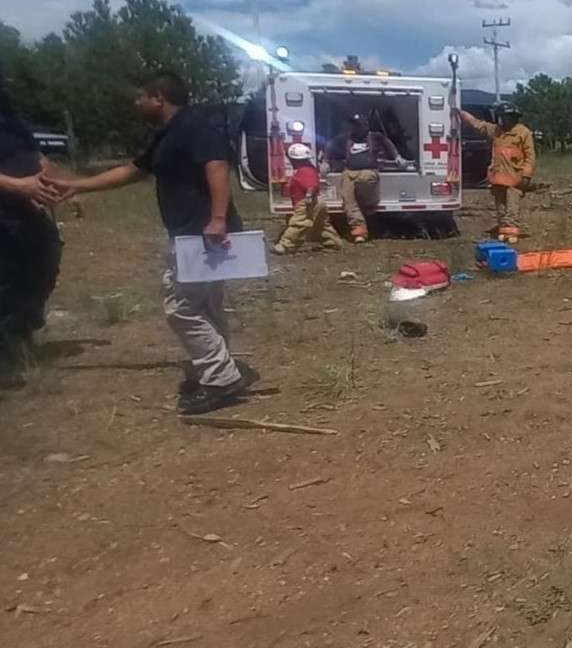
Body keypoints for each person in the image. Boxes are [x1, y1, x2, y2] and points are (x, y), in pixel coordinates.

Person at [58, 70, 259, 415]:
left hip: (203, 233)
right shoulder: (167, 134)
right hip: (194, 233)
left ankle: (221, 377)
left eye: (140, 97)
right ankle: (214, 368)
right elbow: (132, 170)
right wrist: (79, 185)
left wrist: (218, 218)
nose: (135, 103)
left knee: (181, 308)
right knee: (206, 306)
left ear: (158, 98)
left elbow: (217, 167)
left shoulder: (194, 126)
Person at [0, 69, 67, 385]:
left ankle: (22, 327)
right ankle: (7, 359)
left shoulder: (8, 115)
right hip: (5, 213)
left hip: (28, 211)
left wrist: (57, 182)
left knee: (47, 256)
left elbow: (35, 154)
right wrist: (18, 186)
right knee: (6, 281)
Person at [460, 105, 535, 244]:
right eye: (502, 117)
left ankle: (512, 231)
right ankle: (503, 229)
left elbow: (530, 157)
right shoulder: (496, 130)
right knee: (500, 207)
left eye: (507, 117)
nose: (504, 120)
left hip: (515, 176)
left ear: (514, 118)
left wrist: (526, 176)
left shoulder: (523, 133)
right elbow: (479, 125)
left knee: (512, 206)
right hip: (498, 176)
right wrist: (463, 114)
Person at [326, 113, 398, 243]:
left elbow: (389, 145)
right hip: (349, 172)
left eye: (358, 125)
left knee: (365, 182)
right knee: (348, 201)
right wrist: (325, 161)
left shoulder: (375, 137)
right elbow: (330, 146)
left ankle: (369, 209)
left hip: (368, 171)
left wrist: (397, 157)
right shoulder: (345, 138)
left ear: (365, 126)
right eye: (353, 125)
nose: (355, 128)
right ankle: (359, 231)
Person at [272, 142, 342, 253]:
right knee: (321, 225)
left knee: (299, 223)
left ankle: (285, 245)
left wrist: (309, 197)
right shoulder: (309, 169)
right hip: (316, 202)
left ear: (295, 160)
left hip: (307, 202)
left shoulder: (304, 171)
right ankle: (333, 242)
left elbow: (311, 185)